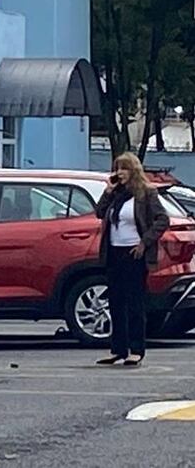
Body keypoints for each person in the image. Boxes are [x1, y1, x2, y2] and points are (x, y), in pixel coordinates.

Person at [94, 152, 169, 367]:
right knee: (115, 302)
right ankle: (118, 349)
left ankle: (136, 350)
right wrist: (108, 191)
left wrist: (144, 242)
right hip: (114, 252)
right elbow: (99, 213)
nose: (119, 173)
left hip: (134, 253)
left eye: (124, 169)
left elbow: (162, 219)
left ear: (133, 171)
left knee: (134, 302)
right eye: (117, 168)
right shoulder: (116, 194)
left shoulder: (145, 193)